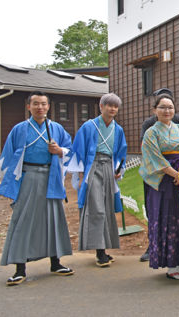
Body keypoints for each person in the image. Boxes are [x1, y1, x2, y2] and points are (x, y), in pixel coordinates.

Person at [0, 91, 73, 286]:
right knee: (23, 220)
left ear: (48, 107)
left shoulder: (56, 128)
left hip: (51, 177)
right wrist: (11, 183)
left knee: (53, 219)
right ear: (28, 107)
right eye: (36, 104)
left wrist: (59, 151)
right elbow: (7, 157)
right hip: (28, 177)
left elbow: (70, 151)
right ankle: (19, 268)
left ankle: (56, 262)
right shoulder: (19, 129)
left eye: (43, 104)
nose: (40, 107)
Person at [68, 93, 127, 267]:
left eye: (115, 106)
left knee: (107, 208)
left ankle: (104, 249)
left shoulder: (118, 129)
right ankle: (99, 251)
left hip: (108, 167)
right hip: (92, 167)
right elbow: (78, 150)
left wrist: (118, 169)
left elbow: (121, 153)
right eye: (109, 105)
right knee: (97, 208)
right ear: (101, 106)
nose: (112, 109)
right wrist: (80, 176)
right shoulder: (89, 126)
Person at [140, 94, 179, 280]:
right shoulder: (151, 133)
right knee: (168, 219)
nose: (167, 111)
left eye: (170, 107)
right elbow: (154, 158)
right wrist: (175, 174)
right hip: (164, 181)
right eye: (162, 107)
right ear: (155, 111)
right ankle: (171, 264)